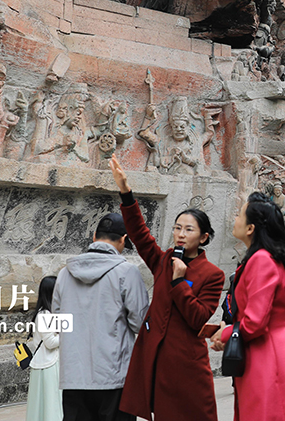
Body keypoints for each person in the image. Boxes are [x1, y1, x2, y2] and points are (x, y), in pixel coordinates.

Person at [108, 158, 225, 421]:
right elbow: (139, 234)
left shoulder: (213, 274)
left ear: (203, 237)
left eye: (189, 230)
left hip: (187, 363)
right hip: (157, 360)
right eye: (177, 228)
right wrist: (126, 193)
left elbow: (197, 317)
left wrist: (178, 282)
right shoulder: (164, 260)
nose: (181, 234)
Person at [210, 192, 285, 421]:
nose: (235, 220)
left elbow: (255, 322)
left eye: (239, 215)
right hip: (277, 347)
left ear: (251, 228)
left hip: (266, 353)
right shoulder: (266, 258)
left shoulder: (260, 260)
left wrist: (226, 332)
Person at [53, 211, 150, 421]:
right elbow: (140, 323)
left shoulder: (64, 273)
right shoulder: (127, 272)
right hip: (113, 376)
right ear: (124, 239)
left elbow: (57, 322)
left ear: (95, 235)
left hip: (73, 375)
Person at [26, 276, 61, 421]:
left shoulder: (49, 312)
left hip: (49, 363)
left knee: (47, 405)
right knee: (51, 405)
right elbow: (50, 342)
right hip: (48, 365)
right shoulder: (44, 314)